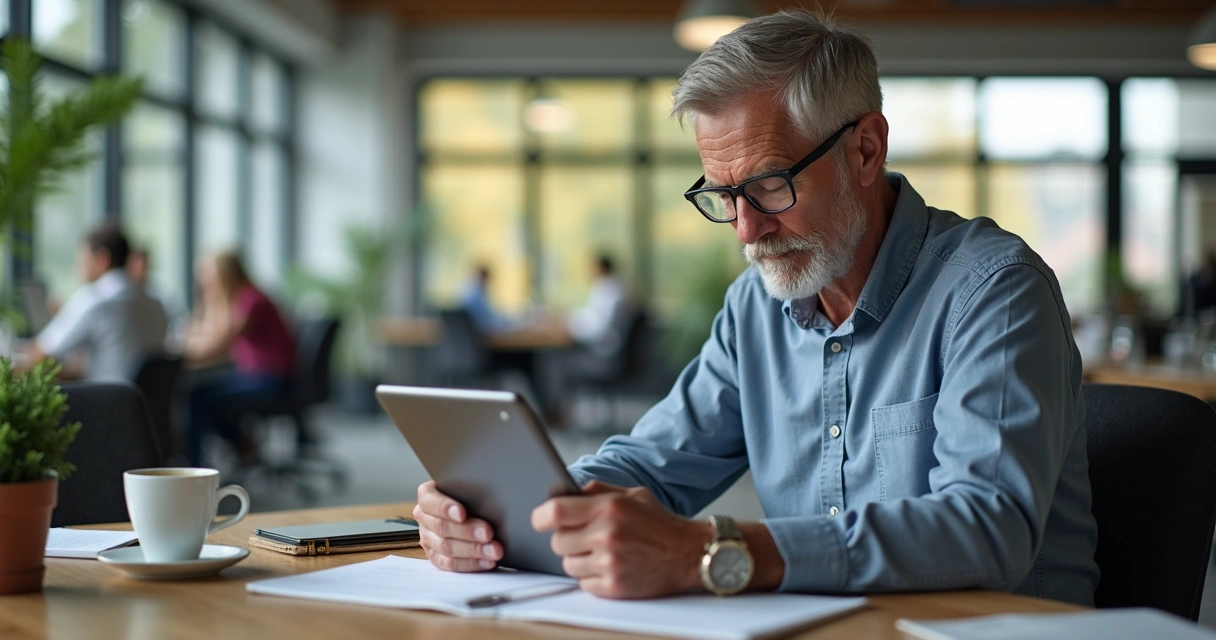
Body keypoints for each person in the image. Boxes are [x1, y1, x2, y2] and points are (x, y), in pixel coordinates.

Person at [413, 9, 1098, 606]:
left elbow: (986, 530)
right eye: (723, 195)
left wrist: (712, 553)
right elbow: (653, 463)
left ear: (865, 149)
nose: (746, 229)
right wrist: (512, 509)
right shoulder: (756, 308)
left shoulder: (994, 291)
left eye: (769, 185)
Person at [184, 250, 295, 467]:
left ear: (223, 275)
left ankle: (195, 468)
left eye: (208, 275)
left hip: (270, 379)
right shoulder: (243, 297)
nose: (204, 281)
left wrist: (179, 359)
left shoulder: (250, 301)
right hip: (255, 374)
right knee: (199, 395)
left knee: (198, 399)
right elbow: (209, 335)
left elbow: (221, 344)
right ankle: (243, 445)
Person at [27, 224, 167, 381]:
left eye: (82, 259)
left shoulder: (95, 298)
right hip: (148, 404)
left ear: (102, 259)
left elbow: (43, 352)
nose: (78, 268)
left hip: (103, 401)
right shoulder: (156, 303)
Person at [459, 264, 513, 334]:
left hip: (470, 336)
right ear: (484, 277)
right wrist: (509, 322)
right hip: (482, 334)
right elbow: (488, 320)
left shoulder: (466, 292)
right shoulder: (476, 296)